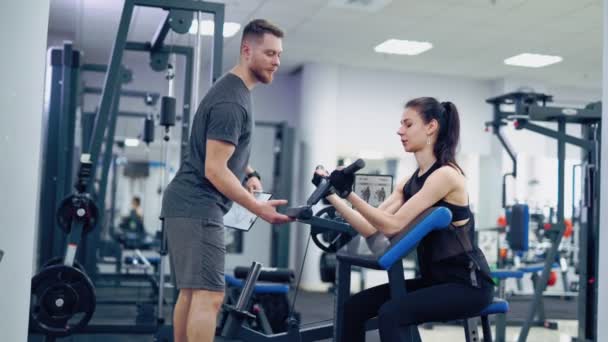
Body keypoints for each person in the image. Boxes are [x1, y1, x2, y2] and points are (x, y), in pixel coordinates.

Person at [315, 97, 494, 341]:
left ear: (431, 127)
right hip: (435, 282)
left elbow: (393, 226)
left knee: (392, 313)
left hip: (468, 286)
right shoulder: (410, 182)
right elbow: (370, 228)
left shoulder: (446, 175)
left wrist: (349, 194)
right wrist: (332, 194)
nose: (400, 131)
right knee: (354, 307)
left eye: (408, 124)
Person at [160, 19, 293, 342]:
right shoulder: (232, 101)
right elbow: (215, 170)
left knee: (192, 294)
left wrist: (250, 174)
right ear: (247, 51)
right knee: (210, 296)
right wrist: (258, 209)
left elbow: (224, 155)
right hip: (198, 206)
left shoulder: (233, 91)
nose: (277, 61)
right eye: (270, 53)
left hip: (186, 203)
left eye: (279, 54)